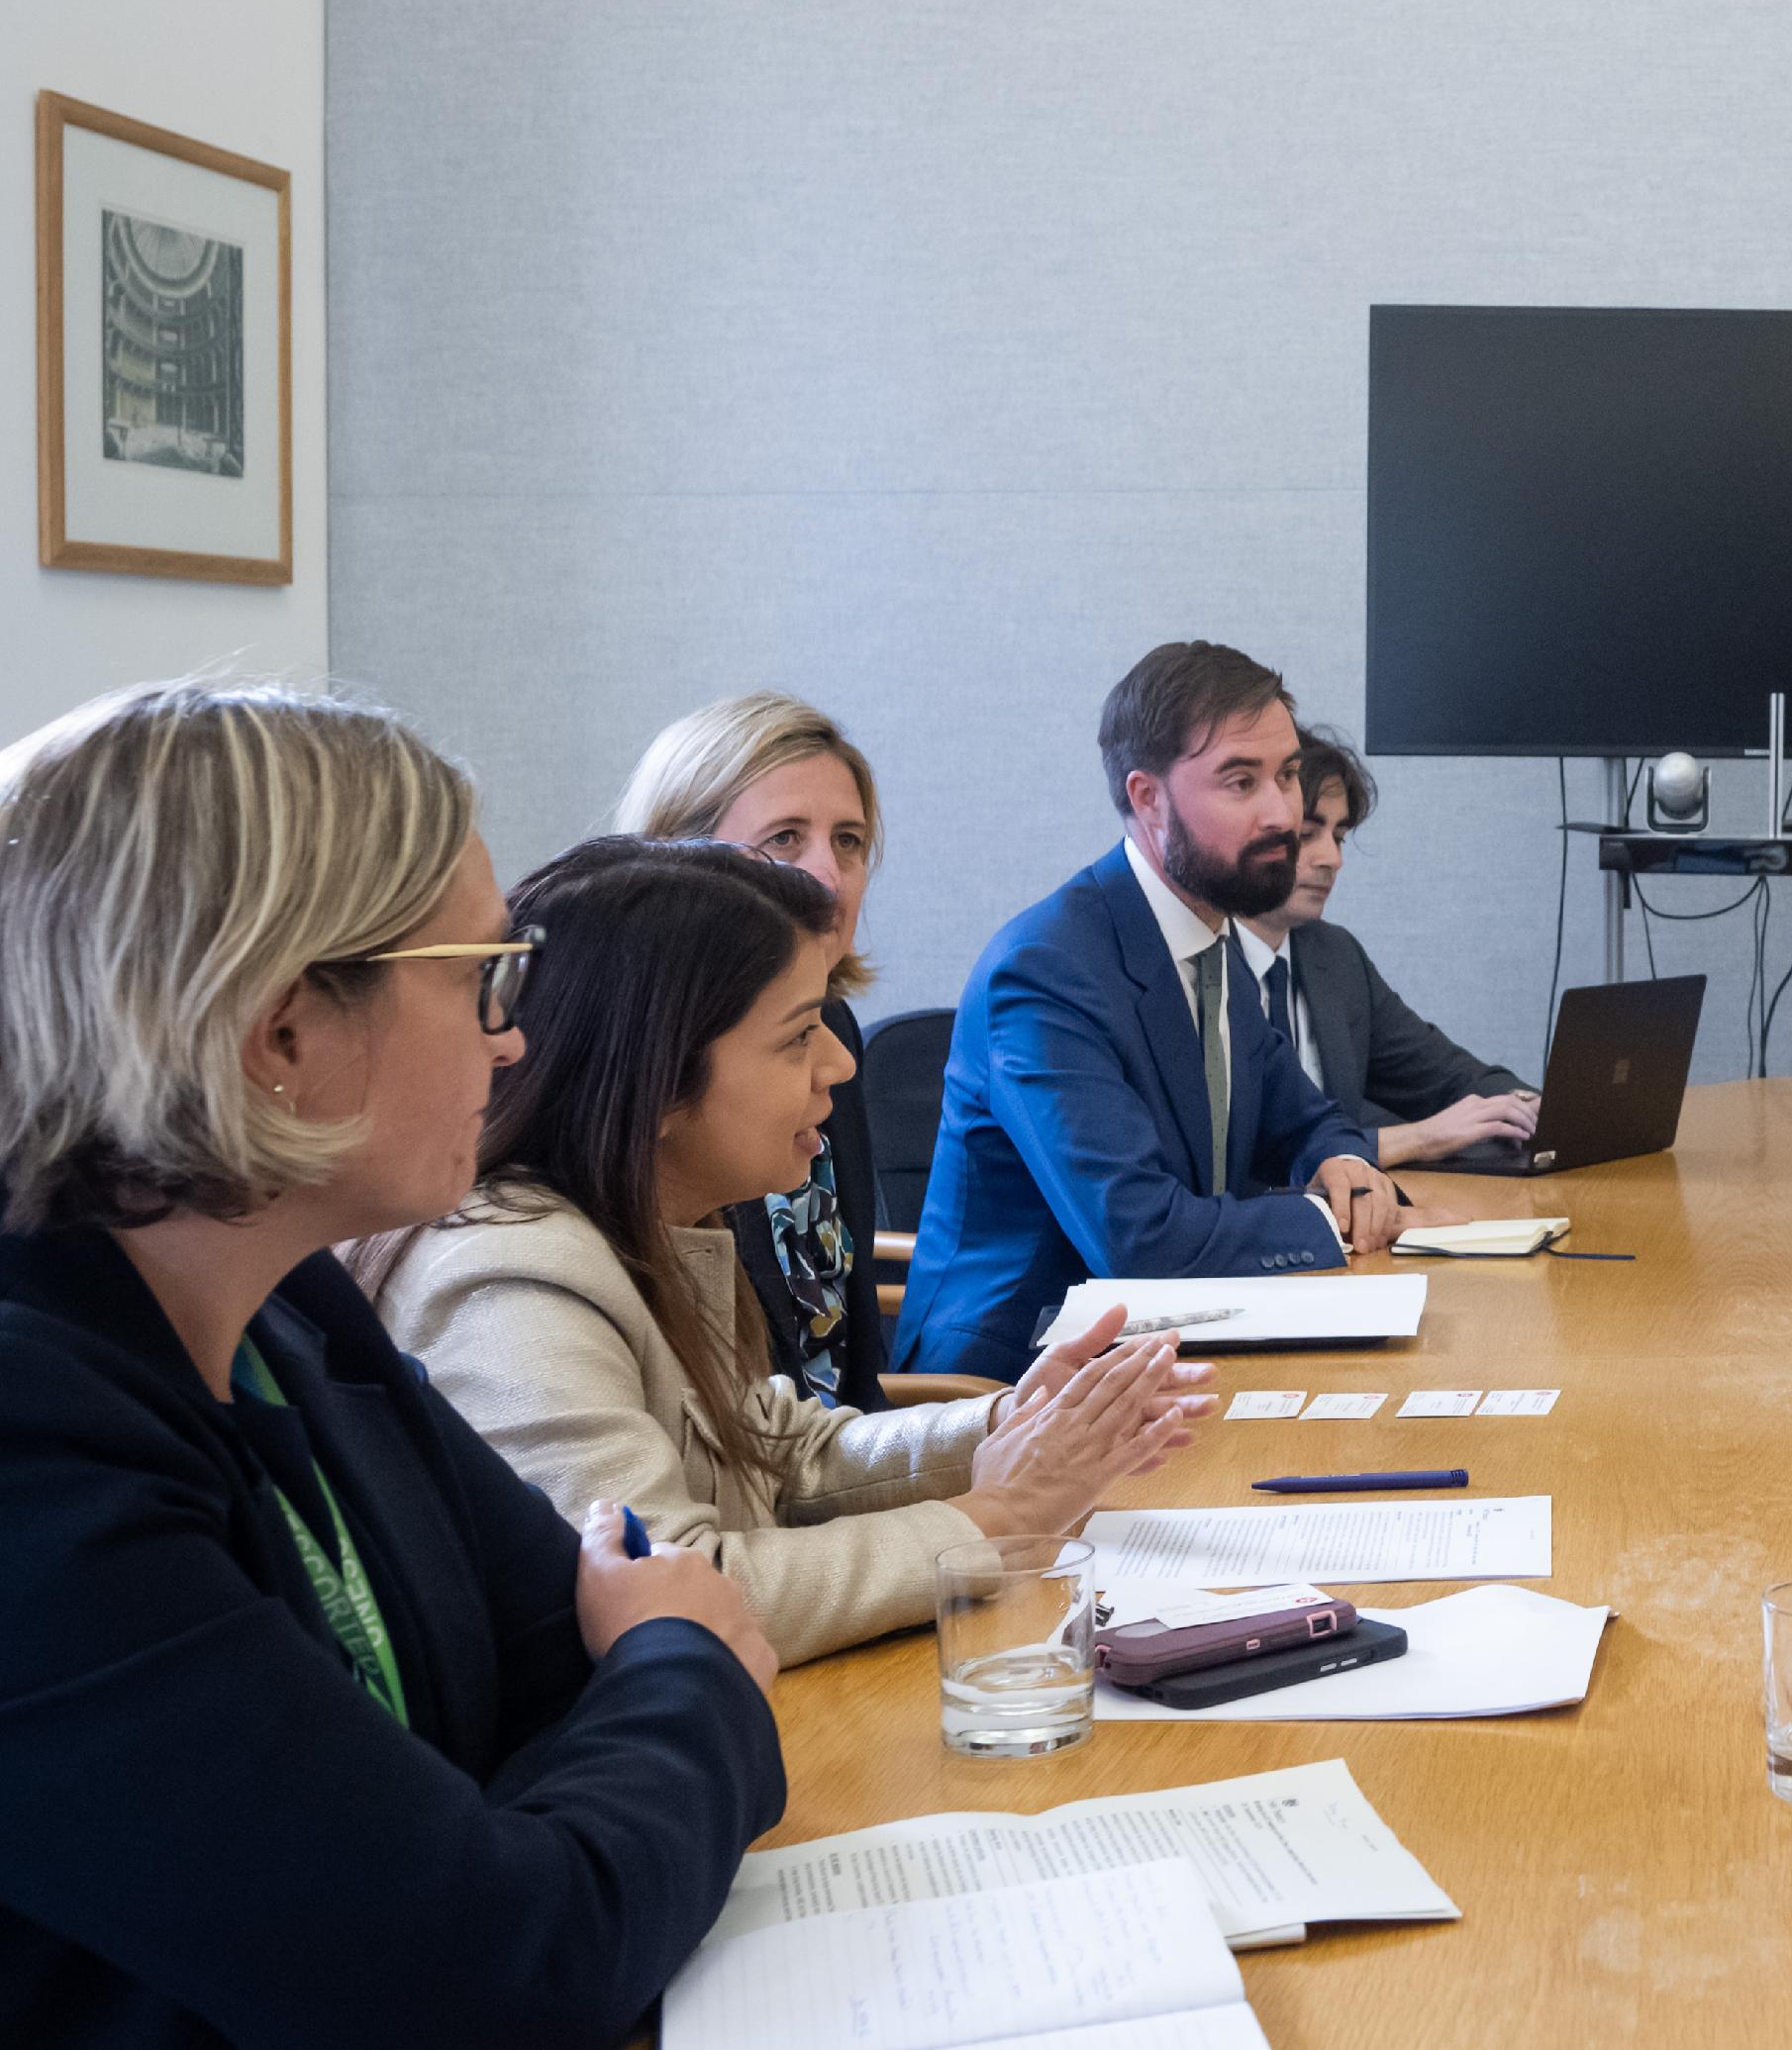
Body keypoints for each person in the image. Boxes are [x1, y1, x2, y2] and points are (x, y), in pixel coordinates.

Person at [0, 680, 783, 2048]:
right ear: (286, 1030)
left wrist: (541, 1801)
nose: (513, 1035)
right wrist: (678, 1661)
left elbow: (557, 1671)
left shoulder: (295, 1306)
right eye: (485, 972)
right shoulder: (29, 1448)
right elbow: (498, 1969)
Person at [356, 840, 1212, 1665]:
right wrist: (995, 1517)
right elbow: (679, 1590)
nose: (841, 1064)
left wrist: (1005, 1424)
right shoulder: (512, 1279)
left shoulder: (655, 1216)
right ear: (654, 1080)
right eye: (799, 1034)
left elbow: (778, 1453)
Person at [892, 641, 1477, 1379]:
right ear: (1148, 799)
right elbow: (1140, 1238)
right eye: (1241, 781)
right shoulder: (1046, 969)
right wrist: (1331, 1218)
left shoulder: (1211, 936)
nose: (1283, 815)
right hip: (1007, 1391)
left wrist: (1345, 1161)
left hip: (1174, 1349)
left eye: (1289, 775)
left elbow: (1302, 1116)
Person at [613, 691, 892, 1408]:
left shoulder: (834, 1030)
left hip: (836, 1475)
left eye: (849, 841)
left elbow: (855, 1373)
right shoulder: (657, 1065)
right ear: (676, 858)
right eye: (785, 838)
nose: (828, 876)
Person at [1237, 724, 1539, 1168]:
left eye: (1338, 837)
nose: (1332, 859)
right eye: (1307, 835)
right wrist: (1421, 1137)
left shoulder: (1334, 956)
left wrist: (1526, 1107)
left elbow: (1446, 1075)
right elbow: (1253, 1154)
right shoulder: (1201, 968)